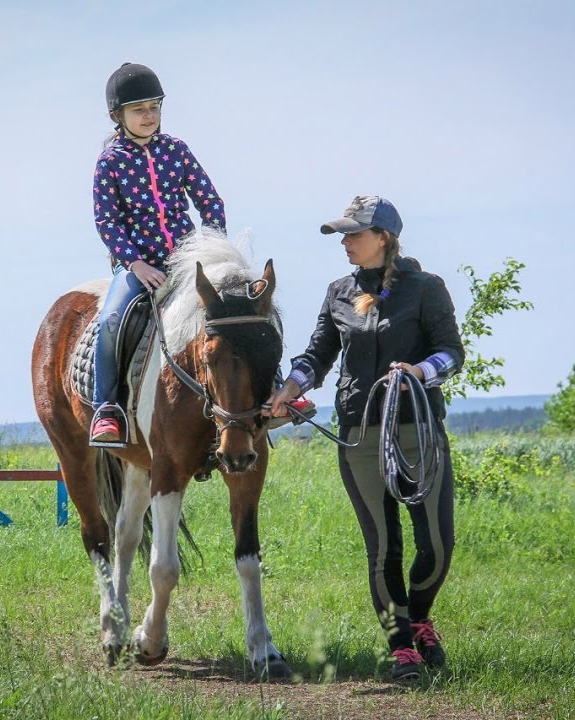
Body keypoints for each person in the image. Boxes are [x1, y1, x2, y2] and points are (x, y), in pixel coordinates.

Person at [265, 195, 463, 681]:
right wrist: (289, 388)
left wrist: (419, 370)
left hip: (418, 433)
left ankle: (419, 618)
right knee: (383, 547)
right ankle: (401, 649)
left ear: (385, 239)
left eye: (354, 234)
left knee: (437, 545)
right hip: (360, 435)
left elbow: (452, 353)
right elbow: (317, 354)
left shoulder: (426, 288)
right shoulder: (338, 291)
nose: (346, 242)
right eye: (343, 234)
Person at [89, 63, 313, 444]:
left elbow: (210, 201)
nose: (148, 116)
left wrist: (215, 251)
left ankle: (275, 390)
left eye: (154, 107)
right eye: (138, 109)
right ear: (118, 116)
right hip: (140, 265)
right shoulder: (110, 162)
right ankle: (106, 408)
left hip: (188, 260)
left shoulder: (176, 150)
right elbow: (107, 221)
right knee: (111, 320)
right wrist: (135, 263)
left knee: (246, 311)